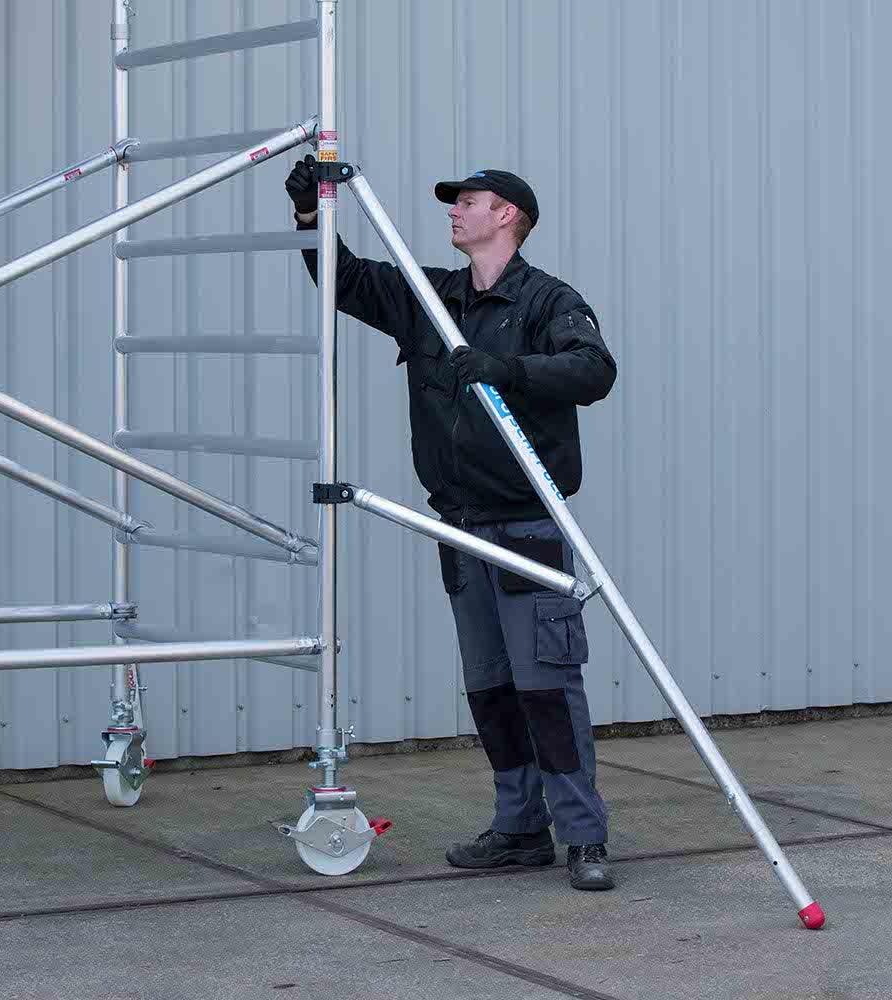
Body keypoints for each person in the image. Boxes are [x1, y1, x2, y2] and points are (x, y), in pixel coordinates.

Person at [285, 156, 618, 890]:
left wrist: (509, 369)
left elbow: (594, 371)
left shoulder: (548, 301)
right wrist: (312, 215)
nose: (454, 211)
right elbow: (343, 280)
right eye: (455, 202)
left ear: (507, 215)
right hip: (460, 530)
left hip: (527, 529)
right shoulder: (431, 297)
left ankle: (584, 837)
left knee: (547, 690)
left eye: (469, 201)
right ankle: (519, 828)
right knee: (491, 692)